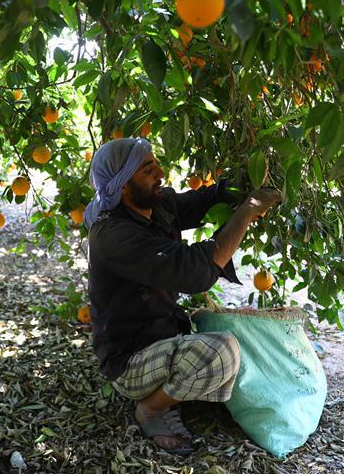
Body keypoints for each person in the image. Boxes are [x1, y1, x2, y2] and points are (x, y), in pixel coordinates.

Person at [83, 137, 283, 455]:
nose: (160, 173)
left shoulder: (154, 205)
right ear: (122, 186)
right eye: (148, 169)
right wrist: (249, 209)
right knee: (221, 352)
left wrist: (249, 179)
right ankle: (150, 408)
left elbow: (204, 200)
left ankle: (179, 384)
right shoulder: (113, 236)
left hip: (164, 335)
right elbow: (193, 272)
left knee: (239, 332)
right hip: (130, 359)